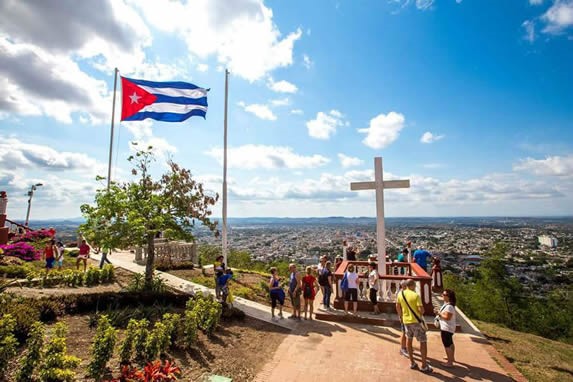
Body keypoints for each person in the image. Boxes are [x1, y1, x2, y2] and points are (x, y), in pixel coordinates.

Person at [396, 279, 432, 373]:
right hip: (416, 321)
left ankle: (412, 362)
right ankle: (424, 365)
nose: (415, 287)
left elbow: (397, 306)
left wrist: (401, 316)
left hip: (406, 321)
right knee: (423, 342)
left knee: (409, 341)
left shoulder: (401, 294)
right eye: (414, 285)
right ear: (411, 285)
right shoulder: (415, 295)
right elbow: (421, 310)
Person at [435, 289, 457, 367]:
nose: (442, 296)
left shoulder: (449, 307)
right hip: (449, 328)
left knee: (447, 344)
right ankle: (451, 357)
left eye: (444, 295)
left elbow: (447, 317)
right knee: (450, 343)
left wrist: (439, 313)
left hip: (446, 328)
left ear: (448, 297)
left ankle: (449, 362)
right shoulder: (448, 304)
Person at [396, 280, 409, 358]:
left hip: (408, 316)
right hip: (404, 315)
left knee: (407, 333)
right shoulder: (400, 294)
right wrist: (400, 316)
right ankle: (403, 348)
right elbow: (398, 306)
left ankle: (406, 347)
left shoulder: (406, 293)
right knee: (404, 332)